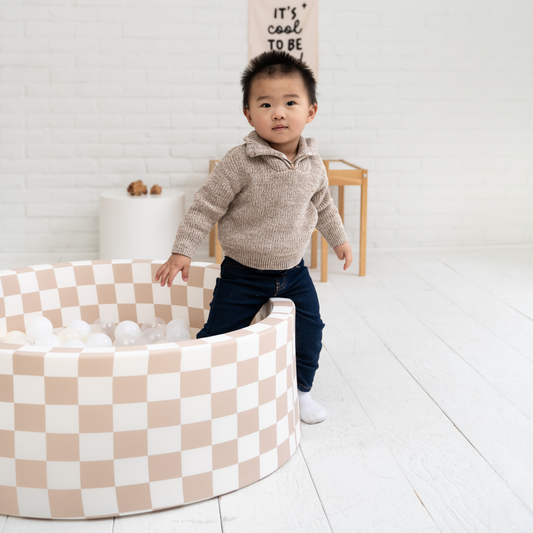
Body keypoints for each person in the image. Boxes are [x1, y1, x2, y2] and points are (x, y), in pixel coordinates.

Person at [155, 50, 352, 424]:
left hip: (294, 272)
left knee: (311, 330)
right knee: (220, 333)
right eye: (266, 104)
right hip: (242, 273)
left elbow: (324, 205)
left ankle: (301, 392)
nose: (278, 112)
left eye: (290, 102)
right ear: (249, 114)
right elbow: (205, 207)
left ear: (310, 111)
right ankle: (199, 386)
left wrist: (338, 239)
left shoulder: (314, 163)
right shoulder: (239, 161)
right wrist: (182, 250)